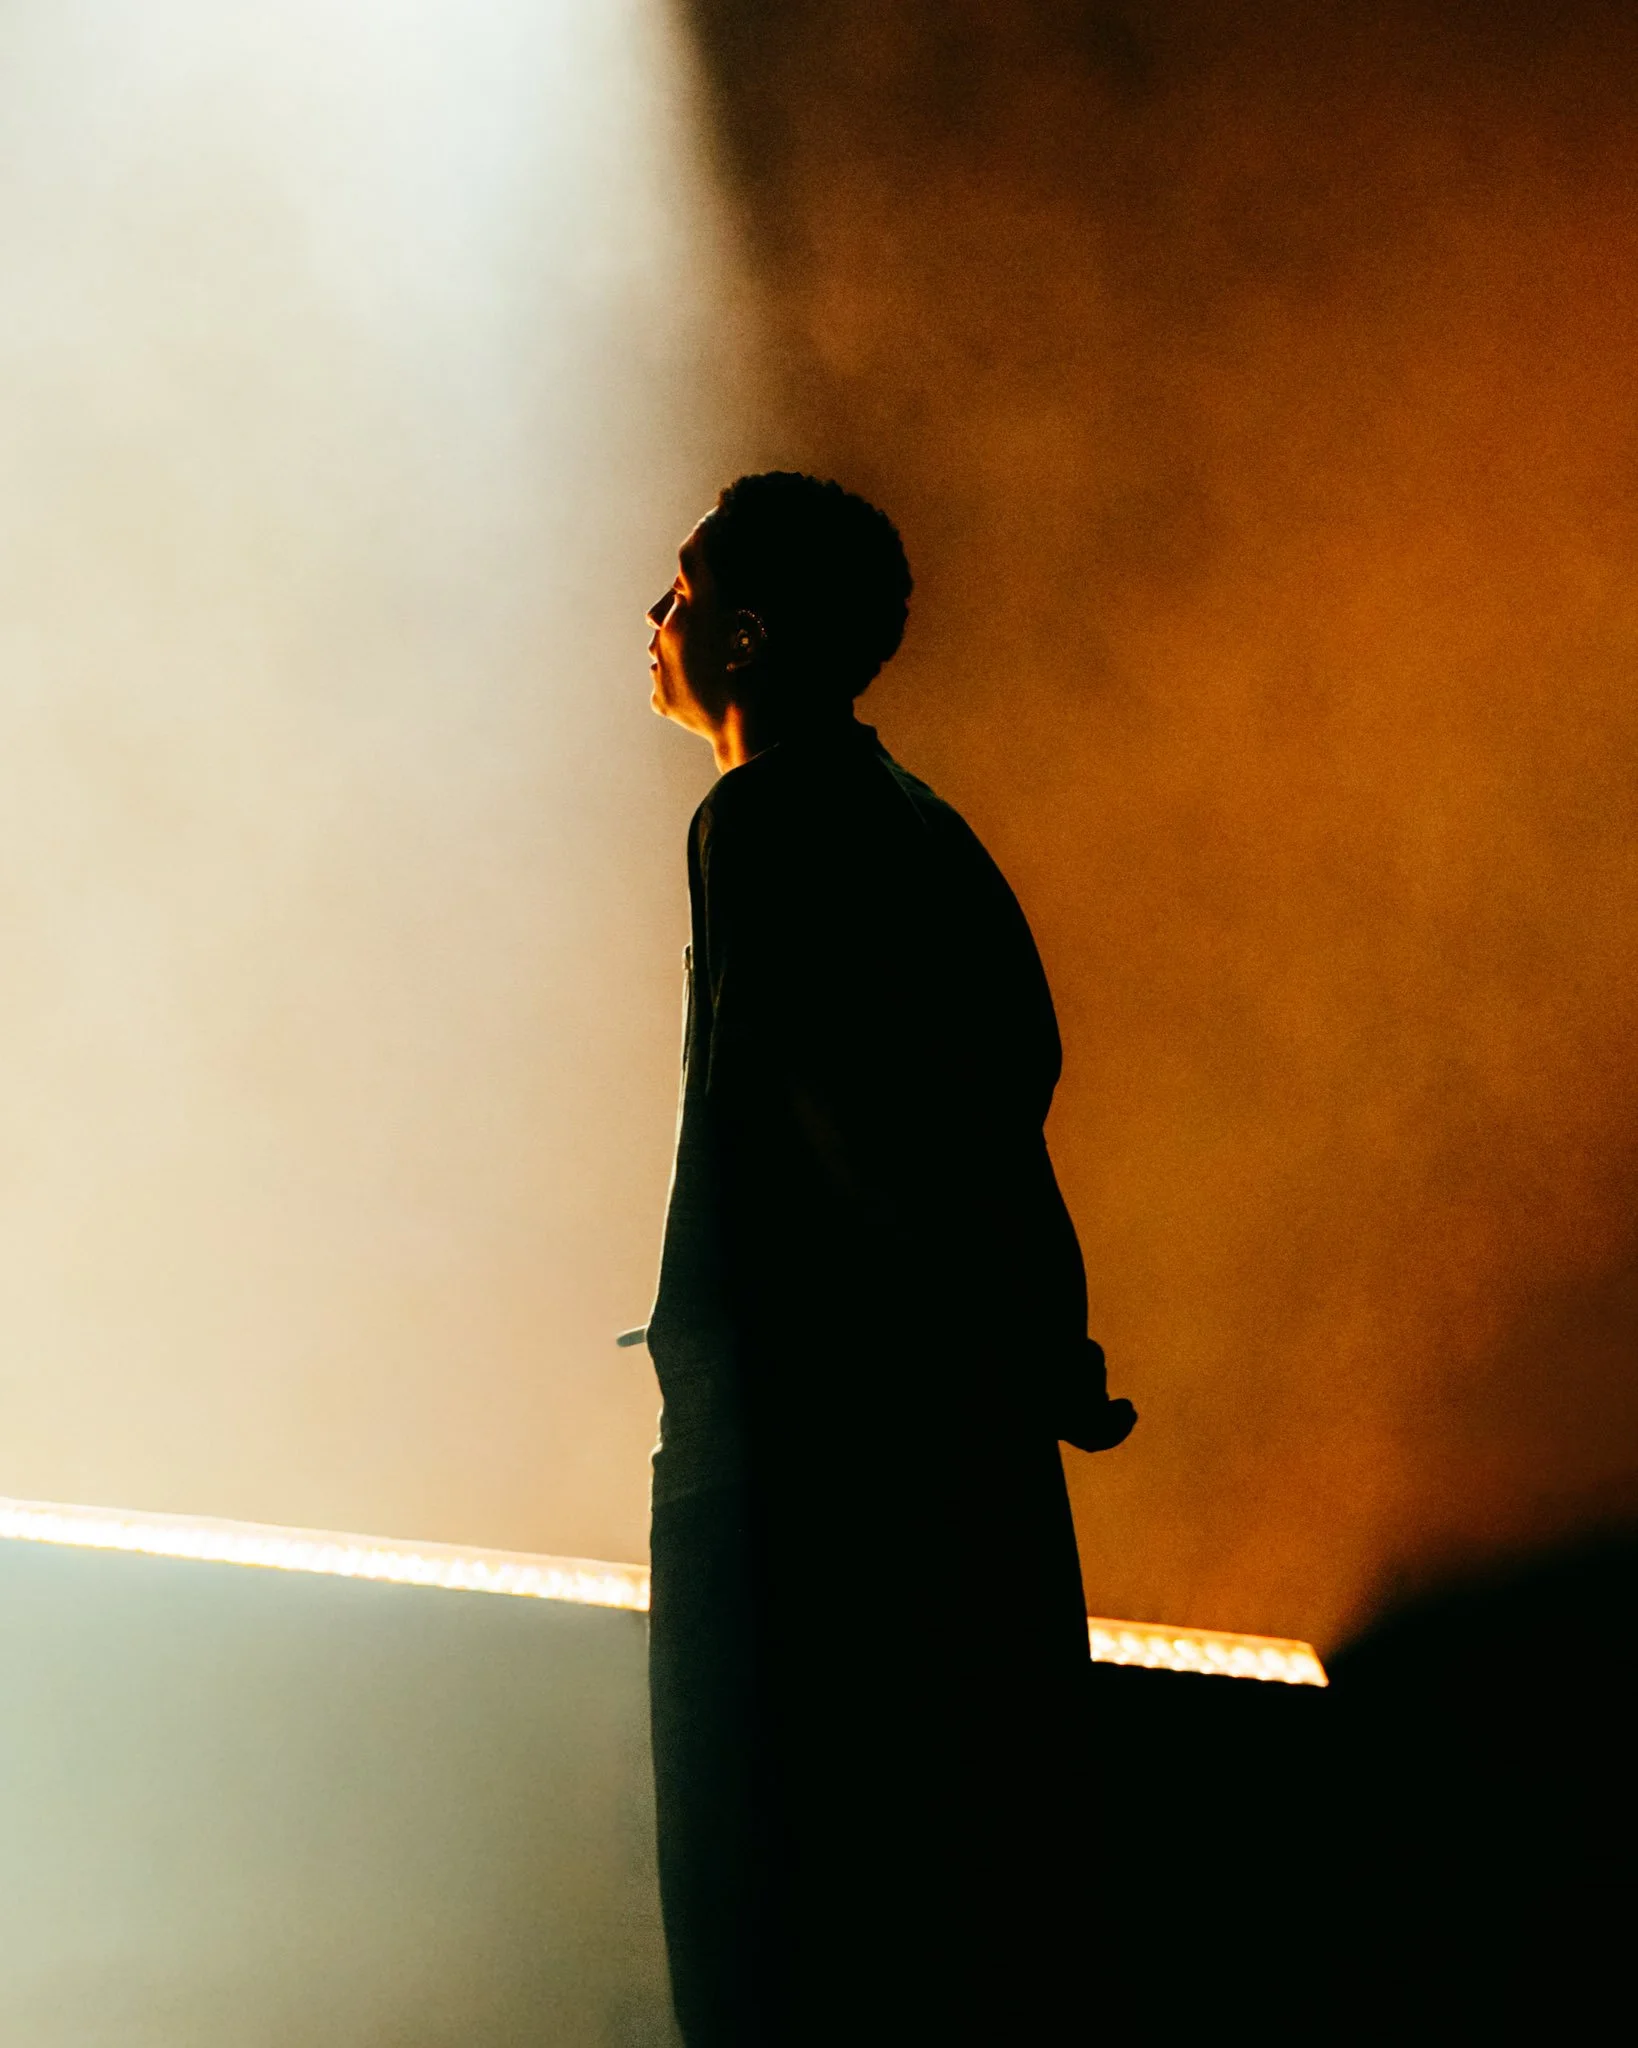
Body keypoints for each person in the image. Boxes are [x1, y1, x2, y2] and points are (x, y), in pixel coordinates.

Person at [641, 472, 1135, 2045]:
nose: (655, 619)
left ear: (751, 634)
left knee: (775, 1928)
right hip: (955, 1459)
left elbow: (829, 1119)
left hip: (804, 1473)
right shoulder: (925, 829)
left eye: (683, 586)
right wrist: (1031, 1343)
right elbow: (1000, 1112)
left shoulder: (764, 820)